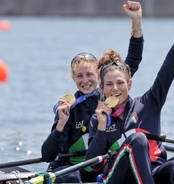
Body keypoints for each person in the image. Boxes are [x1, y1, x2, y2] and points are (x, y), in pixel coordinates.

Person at [86, 3, 174, 184]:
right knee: (137, 139)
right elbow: (91, 166)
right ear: (102, 88)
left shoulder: (149, 103)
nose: (115, 88)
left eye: (120, 83)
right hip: (117, 178)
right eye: (109, 84)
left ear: (129, 84)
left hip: (153, 173)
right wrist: (101, 127)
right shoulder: (98, 118)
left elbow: (169, 68)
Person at [41, 1, 144, 183]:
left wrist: (136, 21)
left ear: (99, 76)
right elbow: (47, 155)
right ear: (74, 79)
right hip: (71, 168)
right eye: (79, 76)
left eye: (89, 74)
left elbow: (133, 60)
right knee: (72, 177)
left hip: (102, 166)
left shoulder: (109, 92)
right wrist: (60, 124)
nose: (85, 80)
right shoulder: (68, 108)